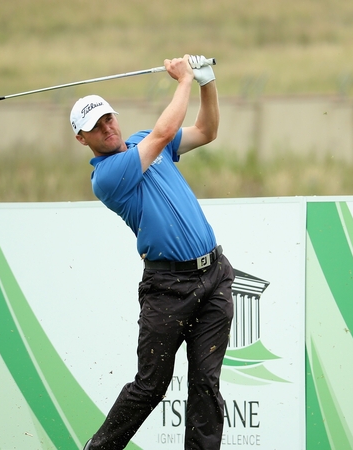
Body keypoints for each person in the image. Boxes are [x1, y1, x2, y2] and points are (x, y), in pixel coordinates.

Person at [72, 55, 234, 450]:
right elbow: (163, 134)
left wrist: (206, 83)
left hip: (214, 276)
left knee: (205, 385)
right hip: (168, 289)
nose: (107, 128)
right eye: (96, 126)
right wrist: (183, 81)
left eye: (108, 118)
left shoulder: (145, 139)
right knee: (150, 386)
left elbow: (206, 131)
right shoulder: (107, 175)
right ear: (83, 139)